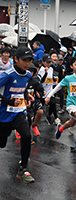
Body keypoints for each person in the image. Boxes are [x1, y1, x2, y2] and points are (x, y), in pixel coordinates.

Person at [0, 46, 35, 183]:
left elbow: (22, 88)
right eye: (24, 60)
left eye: (30, 60)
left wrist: (26, 96)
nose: (27, 63)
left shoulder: (27, 75)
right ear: (16, 59)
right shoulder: (7, 75)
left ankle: (23, 169)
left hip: (18, 112)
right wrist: (8, 100)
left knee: (26, 135)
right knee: (2, 144)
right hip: (3, 115)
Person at [37, 54, 60, 125]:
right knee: (40, 108)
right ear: (43, 62)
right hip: (43, 92)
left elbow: (51, 76)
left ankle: (50, 116)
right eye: (47, 62)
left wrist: (55, 81)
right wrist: (45, 73)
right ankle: (35, 120)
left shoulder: (51, 69)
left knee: (53, 103)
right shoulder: (41, 70)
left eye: (50, 62)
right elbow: (42, 81)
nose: (49, 64)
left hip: (50, 91)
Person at [25, 63, 45, 139]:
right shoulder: (21, 80)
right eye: (28, 70)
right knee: (26, 117)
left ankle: (35, 125)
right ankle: (18, 130)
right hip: (23, 102)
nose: (29, 73)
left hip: (34, 100)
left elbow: (41, 91)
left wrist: (39, 94)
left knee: (40, 111)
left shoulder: (35, 82)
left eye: (31, 71)